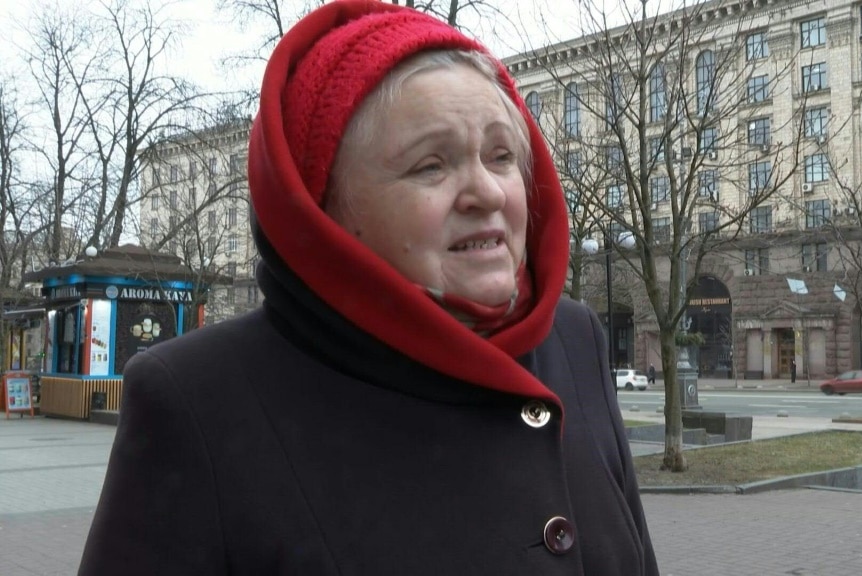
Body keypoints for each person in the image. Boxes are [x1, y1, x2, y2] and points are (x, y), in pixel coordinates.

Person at [77, 2, 658, 575]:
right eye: (431, 165)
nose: (487, 191)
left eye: (502, 156)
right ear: (325, 209)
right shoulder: (198, 399)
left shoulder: (572, 338)